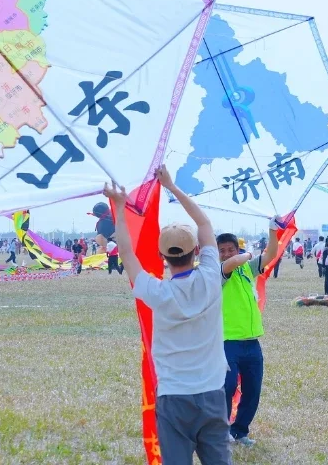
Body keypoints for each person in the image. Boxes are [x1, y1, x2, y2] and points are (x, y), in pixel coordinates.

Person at [108, 167, 231, 465]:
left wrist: (121, 208)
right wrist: (172, 187)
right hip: (213, 393)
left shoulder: (156, 292)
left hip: (173, 397)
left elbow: (126, 252)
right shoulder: (212, 275)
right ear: (197, 251)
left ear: (163, 257)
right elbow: (203, 222)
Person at [217, 218, 281, 447]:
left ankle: (239, 431)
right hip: (227, 342)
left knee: (252, 390)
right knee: (227, 386)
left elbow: (272, 252)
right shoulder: (218, 271)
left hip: (252, 342)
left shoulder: (246, 268)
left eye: (230, 249)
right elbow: (232, 262)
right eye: (221, 250)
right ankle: (220, 431)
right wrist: (244, 254)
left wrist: (273, 230)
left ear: (237, 248)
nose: (226, 254)